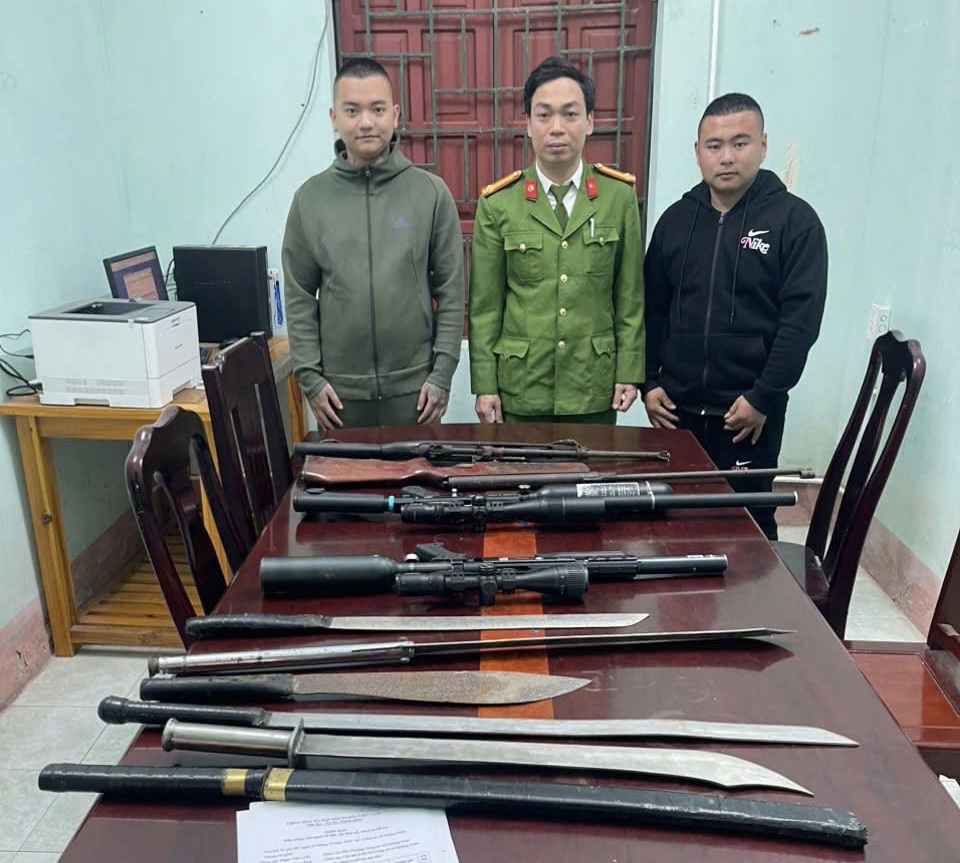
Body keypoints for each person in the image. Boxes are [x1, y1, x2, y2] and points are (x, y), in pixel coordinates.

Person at [643, 93, 827, 540]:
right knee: (673, 522)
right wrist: (648, 382)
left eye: (740, 143)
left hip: (748, 415)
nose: (726, 157)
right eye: (714, 145)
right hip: (677, 410)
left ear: (763, 146)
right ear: (698, 152)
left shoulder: (795, 223)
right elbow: (651, 309)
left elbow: (799, 324)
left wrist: (763, 396)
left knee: (748, 526)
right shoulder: (675, 221)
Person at [282, 57, 464, 431]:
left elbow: (451, 291)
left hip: (415, 395)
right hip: (339, 399)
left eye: (377, 109)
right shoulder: (310, 199)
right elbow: (299, 295)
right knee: (343, 473)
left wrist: (442, 375)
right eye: (352, 111)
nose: (366, 122)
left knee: (419, 473)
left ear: (395, 115)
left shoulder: (429, 193)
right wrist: (310, 378)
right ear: (334, 118)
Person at [468, 55, 645, 424]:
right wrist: (485, 384)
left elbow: (629, 296)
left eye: (570, 114)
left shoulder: (618, 197)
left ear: (590, 121)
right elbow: (486, 307)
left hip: (592, 384)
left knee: (594, 464)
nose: (557, 128)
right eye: (544, 115)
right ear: (528, 124)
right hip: (522, 387)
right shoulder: (499, 203)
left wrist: (628, 370)